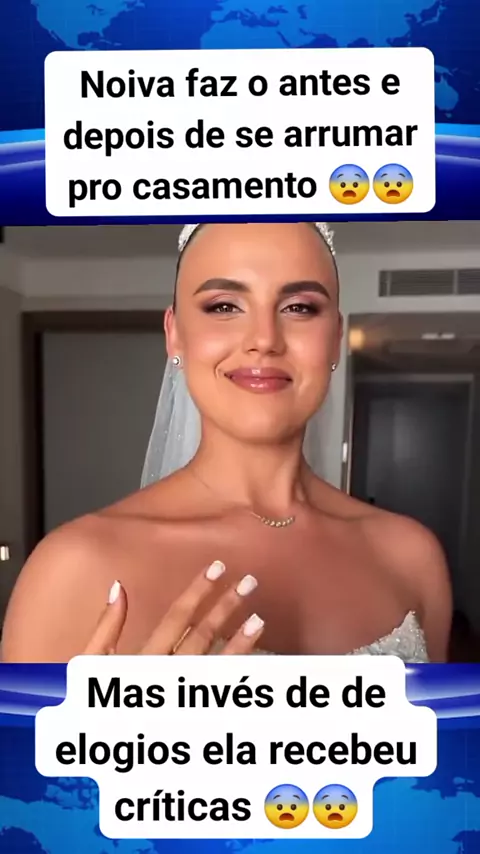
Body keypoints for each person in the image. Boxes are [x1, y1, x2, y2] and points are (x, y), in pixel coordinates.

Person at [1, 221, 452, 663]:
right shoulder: (73, 568)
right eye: (223, 306)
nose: (264, 340)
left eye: (299, 307)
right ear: (175, 334)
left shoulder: (411, 558)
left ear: (335, 338)